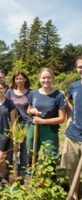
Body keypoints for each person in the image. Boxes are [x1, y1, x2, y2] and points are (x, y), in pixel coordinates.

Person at [27, 68, 66, 170]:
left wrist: (43, 121)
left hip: (49, 130)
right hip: (33, 127)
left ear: (53, 79)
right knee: (31, 151)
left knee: (51, 154)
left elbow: (62, 118)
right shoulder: (33, 93)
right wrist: (31, 111)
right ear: (39, 79)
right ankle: (32, 174)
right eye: (43, 77)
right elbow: (28, 109)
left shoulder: (58, 95)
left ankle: (49, 178)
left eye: (49, 78)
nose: (46, 80)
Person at [61, 56, 82, 200]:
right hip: (73, 134)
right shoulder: (74, 86)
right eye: (80, 66)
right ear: (76, 68)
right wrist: (70, 117)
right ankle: (74, 196)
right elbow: (69, 102)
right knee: (72, 168)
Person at [5, 71, 32, 175]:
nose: (19, 80)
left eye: (21, 78)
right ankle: (11, 166)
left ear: (25, 79)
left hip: (26, 124)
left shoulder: (30, 93)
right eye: (17, 79)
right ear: (14, 80)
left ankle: (23, 167)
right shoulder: (9, 92)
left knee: (24, 147)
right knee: (12, 147)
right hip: (13, 124)